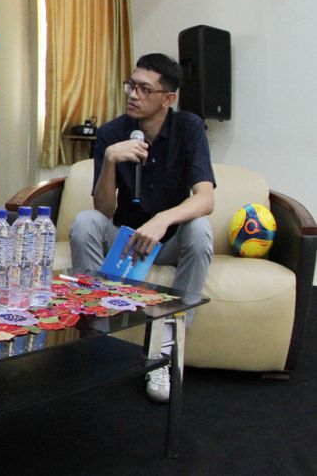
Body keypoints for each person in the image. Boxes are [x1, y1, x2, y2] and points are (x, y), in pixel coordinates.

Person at [70, 52, 215, 404]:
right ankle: (96, 338)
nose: (133, 95)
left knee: (200, 230)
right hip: (124, 240)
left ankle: (163, 351)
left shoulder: (189, 128)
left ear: (168, 98)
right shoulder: (111, 133)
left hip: (169, 240)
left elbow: (205, 198)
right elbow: (103, 210)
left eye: (144, 89)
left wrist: (163, 219)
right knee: (85, 222)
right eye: (131, 85)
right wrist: (108, 161)